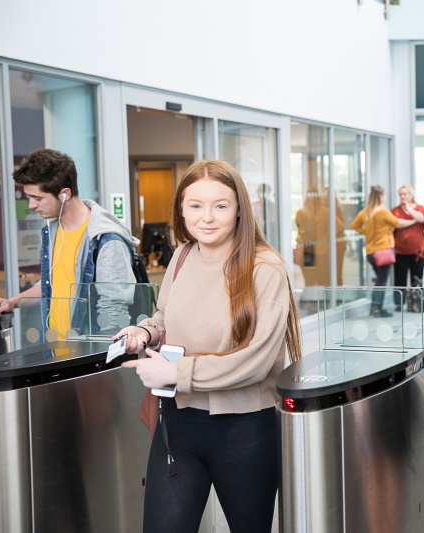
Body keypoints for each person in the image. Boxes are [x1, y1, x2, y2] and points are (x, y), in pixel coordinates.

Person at [113, 160, 302, 533]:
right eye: (195, 205)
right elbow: (164, 316)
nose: (207, 218)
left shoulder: (265, 268)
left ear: (239, 209)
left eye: (221, 205)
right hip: (178, 425)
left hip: (245, 430)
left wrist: (175, 372)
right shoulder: (182, 257)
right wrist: (144, 333)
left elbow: (258, 361)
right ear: (181, 210)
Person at [0, 149, 138, 337]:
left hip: (87, 356)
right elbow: (50, 284)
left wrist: (102, 361)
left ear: (64, 194)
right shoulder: (53, 231)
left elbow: (114, 310)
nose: (31, 205)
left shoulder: (106, 239)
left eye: (37, 198)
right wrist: (13, 302)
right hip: (56, 350)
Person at [351, 185, 416, 317]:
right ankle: (376, 308)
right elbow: (397, 223)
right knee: (381, 283)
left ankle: (375, 307)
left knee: (379, 281)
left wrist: (367, 233)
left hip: (370, 253)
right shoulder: (383, 212)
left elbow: (354, 225)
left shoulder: (365, 212)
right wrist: (413, 221)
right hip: (383, 252)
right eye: (384, 195)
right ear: (381, 196)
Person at [391, 185, 424, 312]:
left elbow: (421, 218)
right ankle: (398, 304)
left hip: (418, 251)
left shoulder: (419, 208)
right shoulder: (395, 210)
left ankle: (415, 304)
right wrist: (413, 221)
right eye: (400, 194)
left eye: (405, 194)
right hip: (401, 252)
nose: (402, 196)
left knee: (416, 278)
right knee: (399, 279)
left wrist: (409, 210)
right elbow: (397, 223)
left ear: (411, 195)